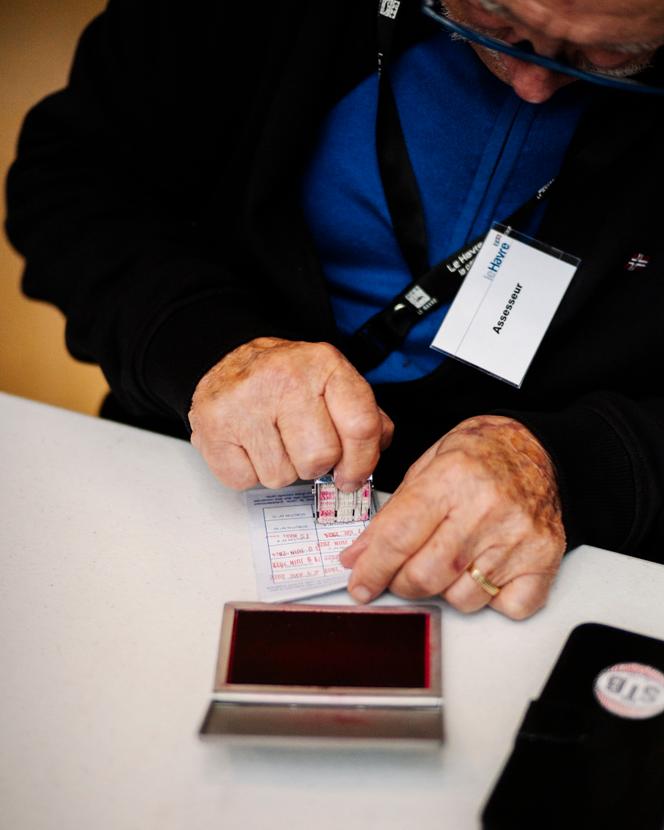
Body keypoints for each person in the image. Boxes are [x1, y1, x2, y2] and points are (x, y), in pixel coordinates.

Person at [6, 0, 664, 619]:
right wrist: (203, 344)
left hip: (566, 565)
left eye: (613, 55)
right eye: (493, 17)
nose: (531, 83)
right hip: (190, 483)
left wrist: (587, 464)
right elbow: (74, 184)